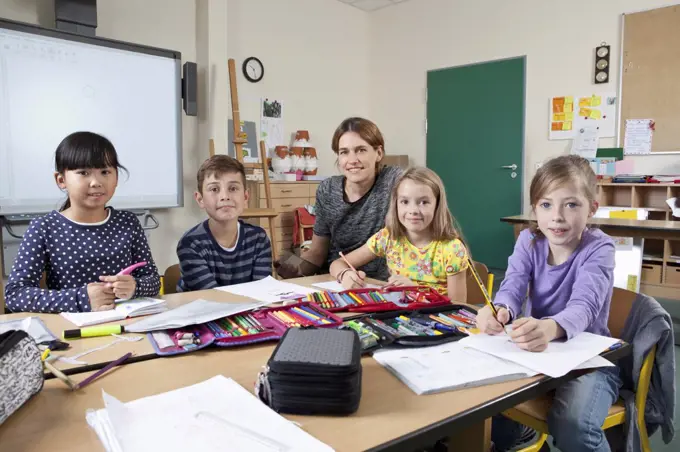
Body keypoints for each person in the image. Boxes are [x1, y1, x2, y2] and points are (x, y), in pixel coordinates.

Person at [476, 155, 619, 452]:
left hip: (589, 361)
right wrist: (500, 309)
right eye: (546, 205)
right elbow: (513, 285)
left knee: (574, 423)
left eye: (571, 204)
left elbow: (585, 306)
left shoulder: (599, 247)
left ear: (592, 207)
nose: (557, 216)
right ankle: (518, 441)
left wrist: (550, 327)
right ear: (534, 210)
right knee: (484, 397)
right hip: (538, 355)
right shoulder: (529, 240)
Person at [5, 132, 161, 313]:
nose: (96, 182)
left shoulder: (128, 222)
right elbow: (15, 294)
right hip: (73, 331)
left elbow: (153, 280)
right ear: (61, 180)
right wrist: (80, 299)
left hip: (127, 324)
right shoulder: (44, 228)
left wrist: (135, 286)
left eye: (105, 172)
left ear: (116, 178)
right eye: (83, 173)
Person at [276, 117, 401, 280]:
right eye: (344, 152)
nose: (352, 160)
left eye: (361, 150)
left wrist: (345, 264)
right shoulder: (327, 190)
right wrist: (293, 266)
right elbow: (317, 252)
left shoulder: (394, 181)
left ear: (378, 153)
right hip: (335, 280)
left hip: (380, 283)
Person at [329, 167, 468, 300]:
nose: (413, 210)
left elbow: (458, 306)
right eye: (405, 201)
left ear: (437, 205)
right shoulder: (388, 238)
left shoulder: (452, 249)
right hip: (398, 316)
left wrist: (417, 291)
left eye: (424, 202)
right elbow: (338, 263)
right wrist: (345, 274)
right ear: (396, 204)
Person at [176, 155, 272, 292]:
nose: (225, 196)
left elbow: (263, 293)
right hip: (207, 311)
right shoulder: (190, 244)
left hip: (245, 311)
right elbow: (214, 299)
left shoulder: (258, 238)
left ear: (245, 197)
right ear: (200, 199)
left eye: (233, 188)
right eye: (214, 189)